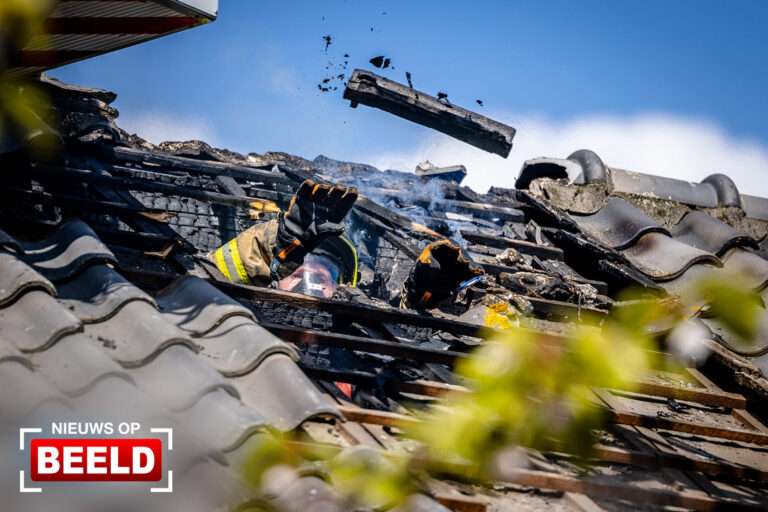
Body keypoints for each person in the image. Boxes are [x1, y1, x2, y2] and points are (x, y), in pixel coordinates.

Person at [209, 179, 483, 306]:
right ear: (275, 277)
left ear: (343, 286)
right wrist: (274, 242)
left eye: (322, 277)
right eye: (298, 274)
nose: (310, 283)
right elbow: (209, 276)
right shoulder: (244, 315)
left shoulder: (359, 330)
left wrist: (420, 301)